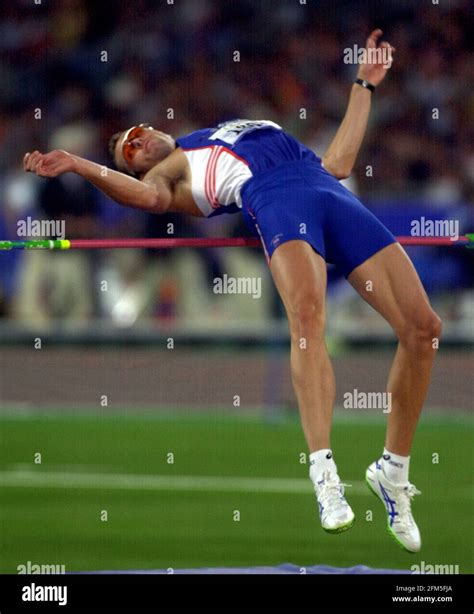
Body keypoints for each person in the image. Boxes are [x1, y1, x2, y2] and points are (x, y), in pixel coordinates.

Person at [23, 30, 441, 552]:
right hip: (277, 201)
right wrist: (83, 165)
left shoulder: (214, 132)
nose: (141, 138)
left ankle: (392, 474)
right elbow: (148, 198)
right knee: (308, 319)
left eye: (139, 130)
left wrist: (363, 85)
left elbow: (336, 165)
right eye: (130, 149)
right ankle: (325, 477)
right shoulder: (172, 173)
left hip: (325, 187)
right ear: (138, 165)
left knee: (423, 329)